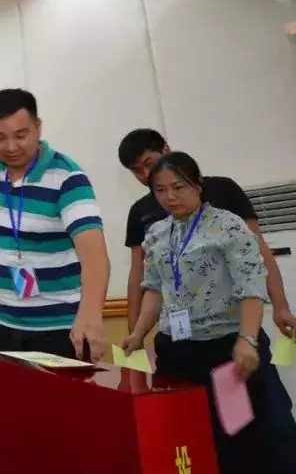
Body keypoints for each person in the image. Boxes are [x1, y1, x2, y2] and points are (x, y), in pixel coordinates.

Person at [119, 132, 296, 474]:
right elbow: (153, 288)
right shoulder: (155, 233)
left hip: (226, 349)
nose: (170, 197)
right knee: (195, 438)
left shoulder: (227, 225)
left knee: (243, 439)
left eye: (179, 187)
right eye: (161, 190)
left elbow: (252, 285)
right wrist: (137, 332)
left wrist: (247, 340)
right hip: (178, 352)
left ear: (198, 184)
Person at [0, 89, 109, 361]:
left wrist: (91, 315)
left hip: (60, 328)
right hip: (2, 323)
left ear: (38, 127)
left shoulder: (67, 178)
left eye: (21, 135)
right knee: (0, 404)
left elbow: (94, 256)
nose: (10, 147)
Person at [117, 128, 295, 335]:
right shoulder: (141, 211)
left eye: (148, 163)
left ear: (166, 149)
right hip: (177, 331)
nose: (146, 175)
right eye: (136, 170)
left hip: (230, 327)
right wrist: (134, 330)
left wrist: (281, 306)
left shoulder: (223, 190)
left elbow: (259, 250)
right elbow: (139, 273)